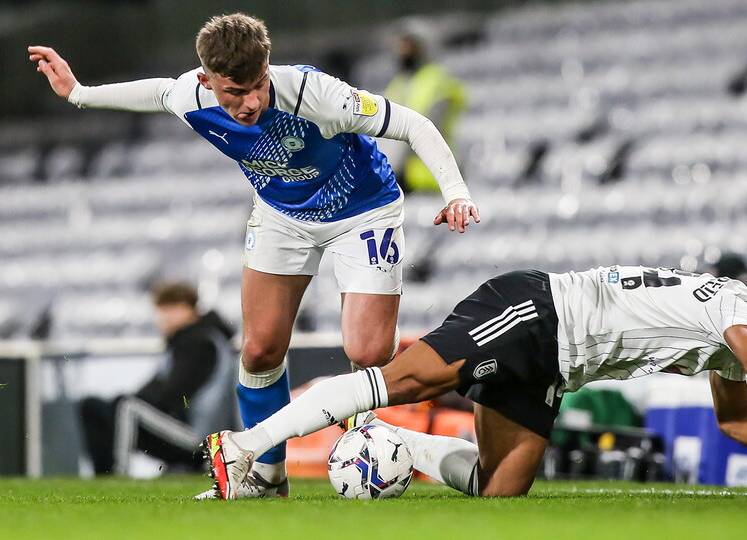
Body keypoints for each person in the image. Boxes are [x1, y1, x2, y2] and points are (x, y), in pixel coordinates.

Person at [30, 13, 479, 497]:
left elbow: (413, 122)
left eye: (258, 86)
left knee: (367, 351)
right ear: (207, 82)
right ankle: (266, 475)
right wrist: (78, 92)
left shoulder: (314, 93)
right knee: (260, 349)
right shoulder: (191, 95)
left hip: (363, 211)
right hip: (282, 214)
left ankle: (375, 446)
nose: (250, 103)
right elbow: (159, 92)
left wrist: (454, 192)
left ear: (267, 68)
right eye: (234, 93)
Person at [204, 261, 747, 499]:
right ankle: (241, 446)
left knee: (503, 490)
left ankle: (395, 448)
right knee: (401, 381)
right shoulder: (731, 306)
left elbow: (733, 418)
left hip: (555, 365)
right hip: (537, 313)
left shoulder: (732, 344)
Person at [80, 282, 236, 475]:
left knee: (126, 406)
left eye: (173, 309)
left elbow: (173, 397)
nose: (165, 318)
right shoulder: (185, 342)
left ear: (190, 309)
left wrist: (128, 405)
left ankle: (116, 475)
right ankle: (102, 476)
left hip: (201, 439)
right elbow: (157, 391)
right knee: (94, 407)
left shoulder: (199, 343)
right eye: (162, 311)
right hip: (186, 430)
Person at [379, 26, 467, 194]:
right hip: (399, 179)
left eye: (407, 45)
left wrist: (389, 169)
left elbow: (427, 132)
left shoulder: (438, 80)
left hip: (432, 178)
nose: (401, 51)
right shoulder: (398, 84)